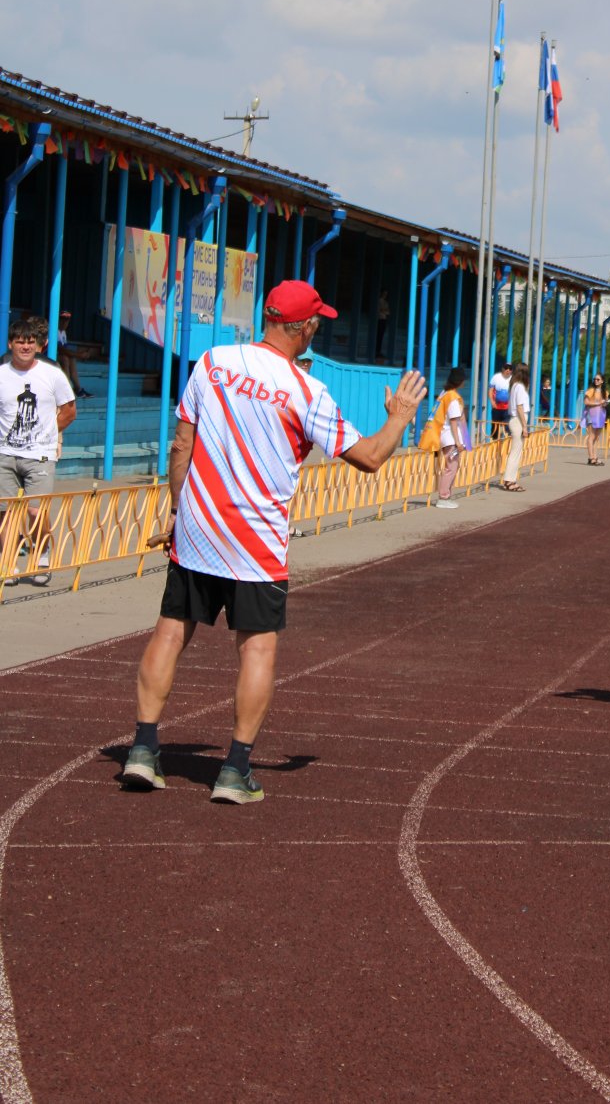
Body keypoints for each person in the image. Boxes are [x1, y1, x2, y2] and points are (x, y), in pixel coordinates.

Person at [120, 280, 427, 805]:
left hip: (197, 528)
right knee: (257, 648)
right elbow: (371, 457)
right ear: (304, 327)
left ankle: (143, 751)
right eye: (316, 324)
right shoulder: (308, 392)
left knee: (171, 633)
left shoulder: (212, 362)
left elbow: (181, 445)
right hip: (255, 540)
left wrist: (179, 511)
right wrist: (399, 416)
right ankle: (235, 770)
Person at [0, 317, 77, 586]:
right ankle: (7, 563)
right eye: (20, 341)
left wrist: (47, 433)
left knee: (36, 511)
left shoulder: (52, 373)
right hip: (5, 453)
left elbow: (69, 411)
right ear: (10, 344)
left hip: (40, 455)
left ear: (38, 345)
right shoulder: (1, 373)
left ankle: (42, 554)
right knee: (6, 512)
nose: (25, 346)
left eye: (30, 342)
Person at [434, 366, 468, 510]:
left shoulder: (444, 393)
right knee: (451, 468)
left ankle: (446, 495)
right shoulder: (453, 398)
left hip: (444, 435)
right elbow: (454, 422)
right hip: (450, 438)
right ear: (460, 381)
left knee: (450, 467)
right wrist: (460, 442)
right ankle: (444, 497)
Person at [500, 361, 530, 492]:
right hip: (518, 420)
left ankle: (510, 479)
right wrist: (525, 426)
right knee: (515, 452)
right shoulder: (520, 387)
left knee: (516, 452)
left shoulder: (514, 385)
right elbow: (519, 407)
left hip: (515, 419)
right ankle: (509, 480)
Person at [56, 311, 91, 398]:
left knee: (71, 358)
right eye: (62, 320)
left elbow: (65, 349)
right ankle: (66, 389)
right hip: (49, 356)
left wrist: (79, 355)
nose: (64, 322)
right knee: (65, 358)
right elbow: (61, 350)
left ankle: (78, 389)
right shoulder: (53, 330)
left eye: (66, 320)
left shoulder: (63, 332)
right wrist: (79, 355)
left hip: (59, 355)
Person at [583, 373, 608, 465]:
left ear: (602, 381)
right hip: (592, 415)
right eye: (595, 379)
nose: (596, 381)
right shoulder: (591, 390)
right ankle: (591, 458)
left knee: (597, 437)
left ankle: (595, 456)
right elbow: (586, 402)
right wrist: (598, 403)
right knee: (591, 436)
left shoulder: (605, 392)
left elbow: (604, 403)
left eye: (598, 379)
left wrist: (605, 404)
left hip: (601, 415)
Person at [489, 361, 512, 440]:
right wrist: (492, 402)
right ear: (503, 369)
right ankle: (494, 444)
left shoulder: (513, 379)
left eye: (510, 368)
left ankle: (507, 445)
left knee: (508, 427)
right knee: (495, 427)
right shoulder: (496, 377)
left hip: (507, 408)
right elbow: (491, 390)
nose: (508, 370)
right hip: (497, 407)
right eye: (506, 368)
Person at [375, 289, 390, 359]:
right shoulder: (380, 300)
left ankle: (378, 351)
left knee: (381, 336)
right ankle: (376, 351)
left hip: (384, 318)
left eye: (386, 294)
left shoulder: (385, 302)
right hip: (380, 319)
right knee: (378, 336)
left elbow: (387, 311)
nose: (385, 295)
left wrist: (385, 311)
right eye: (384, 293)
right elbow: (382, 310)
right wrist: (384, 311)